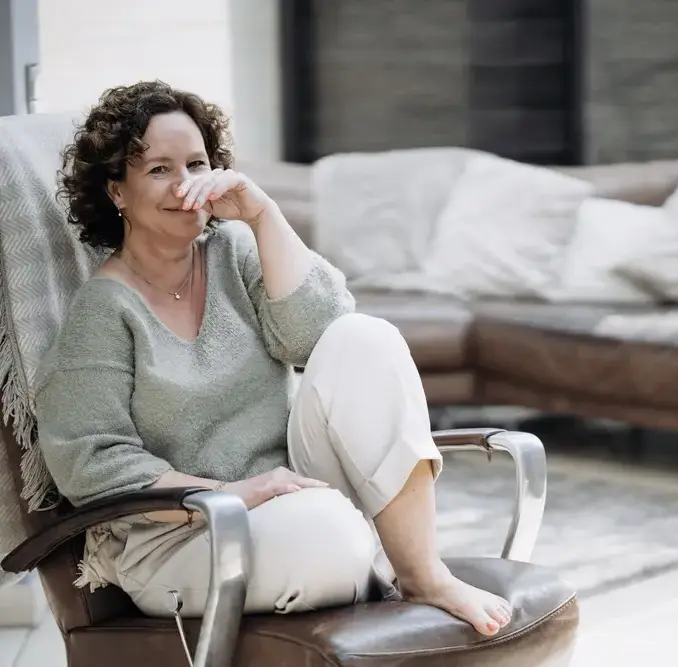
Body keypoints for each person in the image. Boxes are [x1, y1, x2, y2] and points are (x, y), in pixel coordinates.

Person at [34, 80, 511, 636]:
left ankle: (424, 574)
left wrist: (262, 216)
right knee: (328, 534)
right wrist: (231, 494)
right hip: (185, 532)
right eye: (159, 169)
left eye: (196, 163)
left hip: (296, 490)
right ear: (117, 191)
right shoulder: (102, 311)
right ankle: (363, 555)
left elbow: (319, 336)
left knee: (364, 336)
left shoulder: (234, 252)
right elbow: (93, 465)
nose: (185, 185)